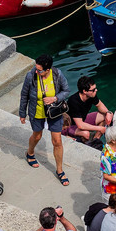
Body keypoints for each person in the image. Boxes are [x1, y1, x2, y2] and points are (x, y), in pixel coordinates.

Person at [19, 54, 69, 186]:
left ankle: (59, 170)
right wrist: (22, 113)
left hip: (54, 111)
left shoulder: (57, 74)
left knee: (57, 141)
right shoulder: (31, 76)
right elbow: (24, 95)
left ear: (48, 69)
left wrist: (55, 98)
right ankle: (30, 153)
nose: (37, 71)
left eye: (40, 70)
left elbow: (66, 90)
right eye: (36, 68)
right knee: (37, 136)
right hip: (37, 111)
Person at [63, 76, 111, 147]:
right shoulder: (74, 101)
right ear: (84, 91)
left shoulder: (91, 95)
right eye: (93, 89)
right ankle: (91, 141)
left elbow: (100, 105)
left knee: (105, 116)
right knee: (86, 133)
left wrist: (108, 113)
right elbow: (80, 125)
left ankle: (95, 140)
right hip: (71, 125)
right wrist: (99, 128)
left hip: (83, 120)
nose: (96, 90)